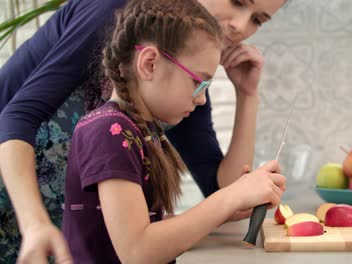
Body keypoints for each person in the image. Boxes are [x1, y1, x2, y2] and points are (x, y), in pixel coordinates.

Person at [0, 0, 287, 262]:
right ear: (149, 63)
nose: (240, 25)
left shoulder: (178, 86)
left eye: (257, 20)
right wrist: (34, 224)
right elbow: (17, 115)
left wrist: (248, 94)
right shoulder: (113, 13)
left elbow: (223, 191)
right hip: (19, 206)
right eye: (238, 1)